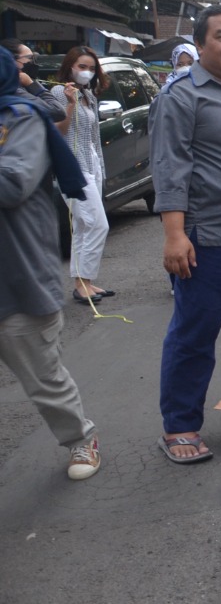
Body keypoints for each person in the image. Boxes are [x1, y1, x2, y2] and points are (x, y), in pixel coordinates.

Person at [149, 5, 221, 464]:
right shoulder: (181, 96)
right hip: (208, 240)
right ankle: (180, 426)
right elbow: (170, 168)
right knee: (194, 335)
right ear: (201, 43)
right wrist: (175, 235)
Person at [0, 46, 101, 481]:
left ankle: (81, 439)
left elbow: (12, 184)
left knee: (43, 378)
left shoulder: (21, 118)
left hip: (16, 276)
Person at [50, 46, 113, 304]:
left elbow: (94, 138)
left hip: (92, 165)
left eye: (91, 68)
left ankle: (84, 281)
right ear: (70, 67)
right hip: (72, 169)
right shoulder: (58, 92)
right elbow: (58, 132)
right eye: (82, 67)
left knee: (83, 226)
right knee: (98, 224)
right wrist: (70, 103)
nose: (86, 72)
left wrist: (102, 169)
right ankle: (81, 283)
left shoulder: (90, 95)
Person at [1, 41, 65, 122]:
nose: (33, 63)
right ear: (13, 62)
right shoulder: (14, 91)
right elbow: (57, 111)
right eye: (30, 58)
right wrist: (31, 84)